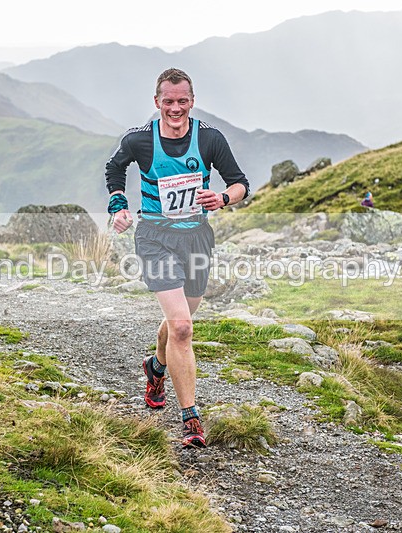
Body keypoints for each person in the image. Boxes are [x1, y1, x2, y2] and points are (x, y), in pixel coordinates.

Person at [105, 68, 249, 448]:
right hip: (155, 237)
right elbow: (114, 167)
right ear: (157, 102)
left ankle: (156, 367)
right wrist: (118, 204)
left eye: (182, 100)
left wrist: (221, 198)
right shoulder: (139, 140)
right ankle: (191, 420)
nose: (175, 108)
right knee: (183, 328)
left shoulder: (209, 139)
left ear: (192, 100)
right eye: (168, 101)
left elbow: (240, 183)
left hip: (197, 238)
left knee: (179, 320)